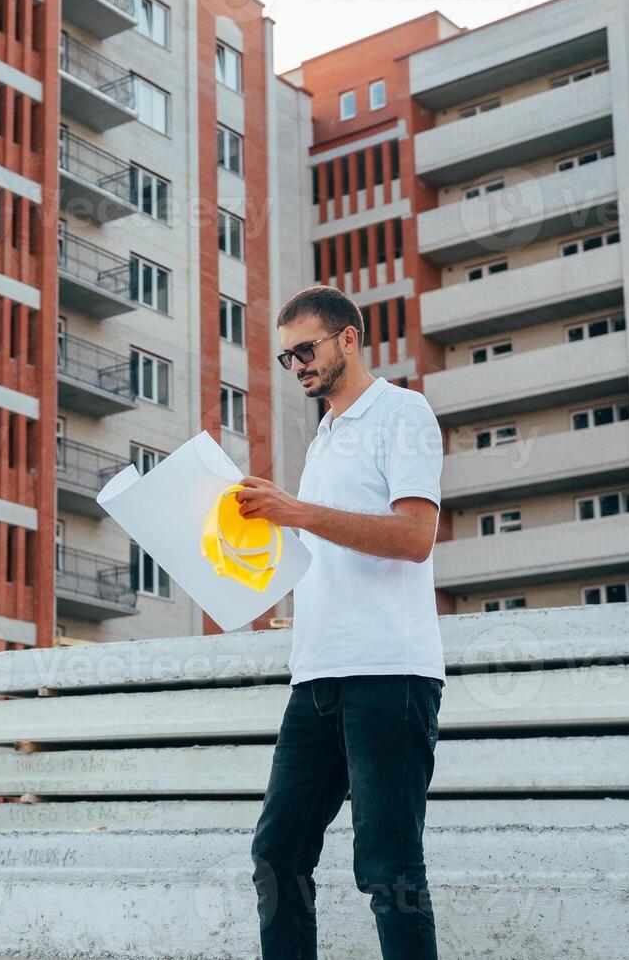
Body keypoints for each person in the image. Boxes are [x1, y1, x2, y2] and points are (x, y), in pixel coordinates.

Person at [234, 285, 446, 960]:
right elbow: (325, 549)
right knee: (277, 854)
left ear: (348, 339)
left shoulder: (401, 412)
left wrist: (295, 512)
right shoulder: (324, 436)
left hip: (389, 671)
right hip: (316, 675)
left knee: (387, 867)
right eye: (286, 355)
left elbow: (414, 537)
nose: (296, 364)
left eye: (306, 348)